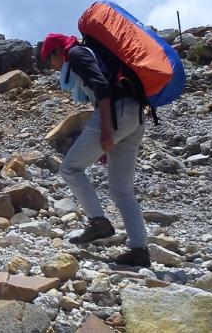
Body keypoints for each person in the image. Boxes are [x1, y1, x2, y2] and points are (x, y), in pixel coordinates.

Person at [41, 33, 150, 267]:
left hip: (116, 112)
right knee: (122, 191)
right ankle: (140, 250)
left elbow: (102, 88)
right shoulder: (88, 55)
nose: (51, 66)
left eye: (49, 60)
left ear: (58, 52)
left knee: (70, 168)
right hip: (135, 114)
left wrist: (106, 132)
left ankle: (98, 222)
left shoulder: (76, 54)